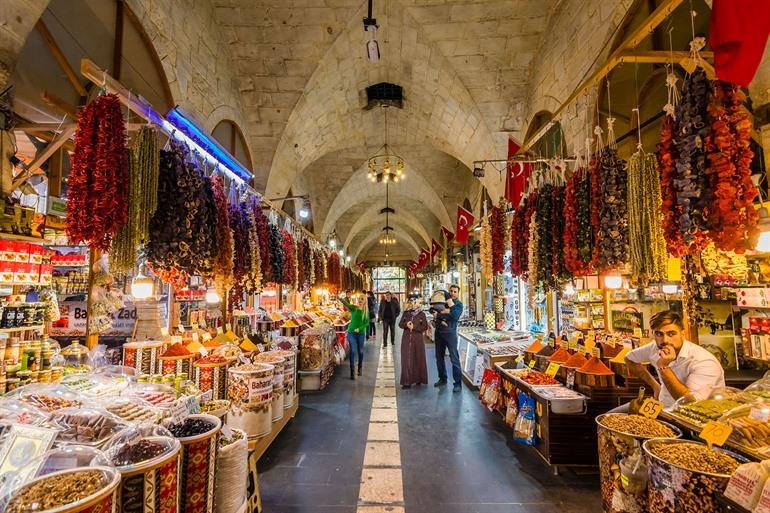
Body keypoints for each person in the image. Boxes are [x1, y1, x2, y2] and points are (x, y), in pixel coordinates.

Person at [622, 310, 725, 408]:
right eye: (659, 334)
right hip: (661, 407)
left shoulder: (703, 361)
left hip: (692, 417)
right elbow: (629, 359)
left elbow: (690, 403)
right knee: (611, 417)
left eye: (671, 334)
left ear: (683, 334)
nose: (665, 340)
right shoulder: (654, 347)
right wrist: (655, 386)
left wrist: (663, 367)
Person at [433, 284, 463, 392]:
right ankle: (442, 378)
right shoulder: (442, 301)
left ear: (458, 293)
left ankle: (458, 383)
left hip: (450, 334)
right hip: (439, 333)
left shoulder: (459, 305)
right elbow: (432, 310)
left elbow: (455, 316)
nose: (452, 293)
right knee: (439, 358)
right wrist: (444, 314)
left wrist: (442, 313)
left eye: (455, 291)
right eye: (451, 291)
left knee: (454, 359)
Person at [399, 298, 429, 388]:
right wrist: (406, 325)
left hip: (418, 340)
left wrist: (414, 327)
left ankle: (418, 379)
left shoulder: (422, 314)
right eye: (413, 302)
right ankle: (406, 382)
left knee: (418, 358)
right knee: (406, 359)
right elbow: (400, 324)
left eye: (417, 302)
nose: (415, 304)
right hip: (406, 339)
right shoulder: (406, 313)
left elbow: (425, 326)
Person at [339, 292, 369, 380]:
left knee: (360, 351)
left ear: (365, 301)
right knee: (352, 351)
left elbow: (366, 323)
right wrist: (341, 299)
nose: (360, 300)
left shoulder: (365, 312)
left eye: (362, 299)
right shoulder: (354, 308)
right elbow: (346, 303)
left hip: (360, 334)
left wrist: (360, 328)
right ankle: (352, 371)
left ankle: (359, 367)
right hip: (351, 332)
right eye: (359, 299)